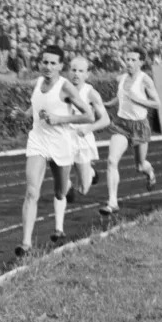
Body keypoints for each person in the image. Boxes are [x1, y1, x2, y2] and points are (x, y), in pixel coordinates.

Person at [10, 45, 93, 257]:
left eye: (53, 63)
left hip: (61, 143)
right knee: (31, 192)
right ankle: (26, 243)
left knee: (59, 192)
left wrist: (59, 119)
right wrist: (23, 114)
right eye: (45, 62)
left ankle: (67, 189)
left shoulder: (66, 87)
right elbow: (37, 107)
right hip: (38, 140)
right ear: (40, 63)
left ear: (60, 66)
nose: (48, 66)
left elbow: (89, 115)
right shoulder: (39, 82)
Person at [50, 56, 110, 243]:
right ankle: (59, 228)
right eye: (73, 70)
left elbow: (105, 120)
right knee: (60, 187)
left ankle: (90, 172)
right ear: (68, 71)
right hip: (63, 139)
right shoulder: (59, 88)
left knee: (84, 189)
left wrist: (89, 128)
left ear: (87, 74)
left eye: (80, 71)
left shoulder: (91, 93)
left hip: (82, 140)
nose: (76, 74)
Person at [99, 47, 161, 216]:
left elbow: (157, 104)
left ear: (141, 62)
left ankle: (150, 173)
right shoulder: (122, 78)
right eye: (127, 59)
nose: (129, 63)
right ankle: (112, 202)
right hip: (121, 125)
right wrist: (108, 104)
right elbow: (120, 97)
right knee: (111, 161)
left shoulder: (145, 80)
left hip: (139, 126)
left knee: (140, 166)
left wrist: (138, 100)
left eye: (133, 60)